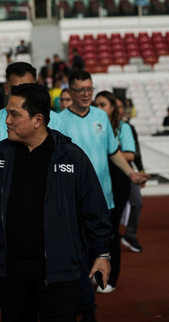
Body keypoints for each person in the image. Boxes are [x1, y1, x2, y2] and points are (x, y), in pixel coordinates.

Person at [0, 83, 112, 322]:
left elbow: (94, 210)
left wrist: (102, 254)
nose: (7, 121)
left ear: (38, 119)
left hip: (62, 272)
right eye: (7, 113)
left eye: (14, 114)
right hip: (8, 272)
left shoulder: (72, 157)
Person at [59, 71, 149, 321]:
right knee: (76, 254)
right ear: (70, 92)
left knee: (101, 249)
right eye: (81, 90)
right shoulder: (58, 121)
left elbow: (113, 151)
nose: (87, 94)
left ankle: (88, 301)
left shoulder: (101, 116)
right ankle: (84, 306)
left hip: (104, 199)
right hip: (73, 202)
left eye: (90, 89)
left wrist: (131, 174)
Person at [0, 62, 67, 162]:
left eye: (28, 88)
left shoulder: (57, 121)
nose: (22, 94)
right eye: (15, 89)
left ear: (39, 120)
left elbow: (64, 163)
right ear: (6, 88)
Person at [94, 91, 136, 294]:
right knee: (92, 230)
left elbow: (129, 153)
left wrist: (110, 151)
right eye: (97, 104)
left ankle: (111, 278)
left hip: (118, 181)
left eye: (103, 104)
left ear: (112, 107)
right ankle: (97, 272)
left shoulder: (124, 127)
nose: (99, 108)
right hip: (98, 180)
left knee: (110, 231)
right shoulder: (93, 126)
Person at [120, 97, 145, 253]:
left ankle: (130, 235)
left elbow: (136, 152)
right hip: (106, 172)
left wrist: (141, 170)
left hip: (128, 171)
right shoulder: (101, 126)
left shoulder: (128, 127)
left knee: (137, 202)